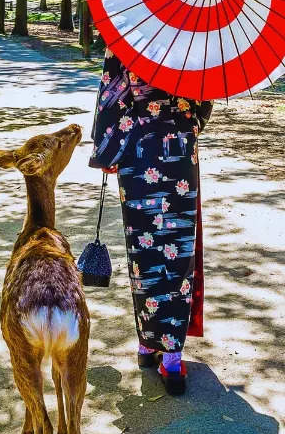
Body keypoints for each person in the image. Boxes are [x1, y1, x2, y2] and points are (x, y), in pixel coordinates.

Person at [89, 49, 212, 395]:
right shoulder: (197, 40)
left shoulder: (126, 35)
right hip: (180, 153)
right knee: (178, 250)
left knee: (143, 250)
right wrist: (188, 123)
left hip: (138, 152)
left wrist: (106, 152)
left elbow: (111, 96)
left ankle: (147, 344)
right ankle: (172, 357)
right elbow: (205, 100)